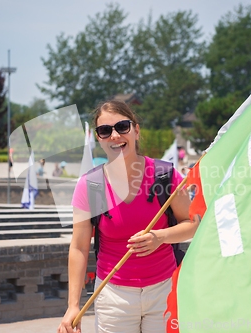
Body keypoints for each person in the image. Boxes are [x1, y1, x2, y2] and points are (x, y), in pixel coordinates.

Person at [58, 100, 200, 333]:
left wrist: (160, 236)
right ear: (99, 138)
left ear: (136, 130)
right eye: (105, 131)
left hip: (164, 290)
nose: (114, 135)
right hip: (113, 296)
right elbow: (79, 247)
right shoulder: (92, 185)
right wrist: (73, 305)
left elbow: (192, 224)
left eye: (122, 127)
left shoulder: (164, 175)